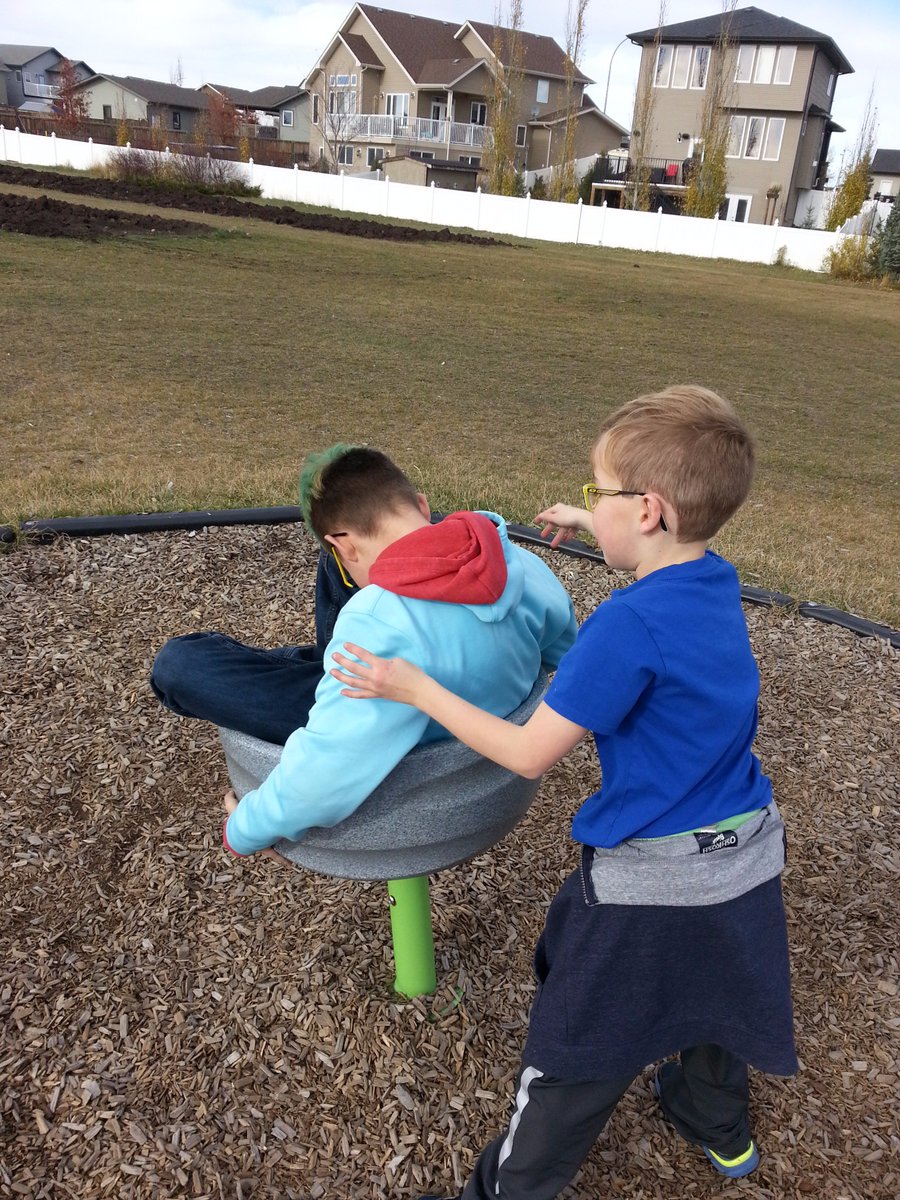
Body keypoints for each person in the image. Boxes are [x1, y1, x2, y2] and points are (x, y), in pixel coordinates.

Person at [330, 387, 797, 1199]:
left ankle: (510, 1188)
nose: (588, 503)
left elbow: (526, 752)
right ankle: (717, 1127)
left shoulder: (624, 627)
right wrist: (593, 525)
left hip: (653, 885)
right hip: (748, 855)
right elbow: (660, 561)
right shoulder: (716, 582)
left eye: (597, 491)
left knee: (576, 1049)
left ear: (648, 511)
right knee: (714, 998)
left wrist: (415, 689)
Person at [153, 444, 577, 858]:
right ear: (424, 506)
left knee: (181, 664)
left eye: (344, 553)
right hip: (439, 691)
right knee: (332, 566)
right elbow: (561, 649)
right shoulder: (518, 560)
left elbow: (322, 780)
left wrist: (242, 829)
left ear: (348, 544)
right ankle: (326, 660)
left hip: (396, 725)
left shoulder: (378, 621)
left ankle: (322, 670)